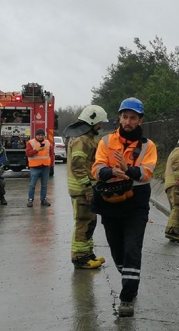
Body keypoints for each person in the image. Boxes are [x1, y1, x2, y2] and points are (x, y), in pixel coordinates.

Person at [91, 97, 158, 317]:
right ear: (119, 117)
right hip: (110, 201)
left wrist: (127, 169)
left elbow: (146, 173)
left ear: (140, 120)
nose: (128, 121)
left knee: (132, 249)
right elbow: (97, 168)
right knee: (117, 250)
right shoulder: (107, 141)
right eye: (125, 117)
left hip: (136, 203)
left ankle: (127, 297)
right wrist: (111, 172)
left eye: (133, 118)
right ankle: (127, 274)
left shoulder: (148, 146)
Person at [64, 105, 109, 270]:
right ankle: (80, 258)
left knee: (90, 222)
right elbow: (78, 166)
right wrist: (88, 188)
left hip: (84, 189)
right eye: (99, 123)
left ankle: (88, 253)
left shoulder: (84, 138)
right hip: (82, 191)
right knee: (83, 222)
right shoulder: (82, 140)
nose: (101, 126)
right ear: (92, 121)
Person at [25, 129, 54, 207]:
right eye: (39, 135)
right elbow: (28, 153)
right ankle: (30, 200)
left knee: (44, 185)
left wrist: (50, 164)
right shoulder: (30, 142)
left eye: (42, 135)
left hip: (45, 166)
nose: (40, 136)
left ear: (44, 135)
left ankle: (43, 199)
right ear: (36, 136)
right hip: (35, 167)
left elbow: (51, 154)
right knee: (32, 185)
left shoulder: (48, 143)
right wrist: (37, 150)